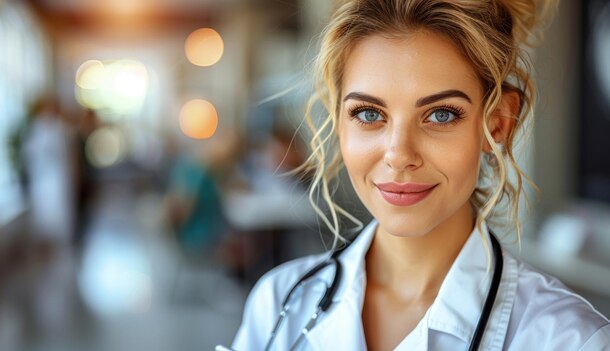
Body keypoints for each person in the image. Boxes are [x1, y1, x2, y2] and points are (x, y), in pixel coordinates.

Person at [229, 0, 610, 350]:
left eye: (441, 114)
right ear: (338, 121)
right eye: (368, 114)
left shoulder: (568, 339)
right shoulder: (280, 302)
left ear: (496, 124)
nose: (398, 155)